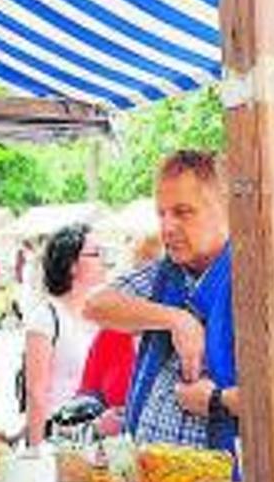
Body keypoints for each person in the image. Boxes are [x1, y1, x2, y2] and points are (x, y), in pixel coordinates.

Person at [84, 151, 240, 453]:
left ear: (226, 210)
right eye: (162, 213)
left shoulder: (258, 284)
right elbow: (94, 304)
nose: (167, 227)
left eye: (183, 212)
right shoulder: (164, 274)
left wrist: (217, 401)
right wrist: (176, 319)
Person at [24, 224, 106, 445]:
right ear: (71, 265)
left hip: (99, 434)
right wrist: (35, 451)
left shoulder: (105, 315)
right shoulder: (45, 318)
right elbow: (36, 392)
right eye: (95, 253)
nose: (104, 260)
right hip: (59, 436)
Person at [78, 234, 163, 437]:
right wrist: (99, 421)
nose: (143, 290)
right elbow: (87, 393)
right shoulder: (112, 332)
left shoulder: (191, 336)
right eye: (137, 275)